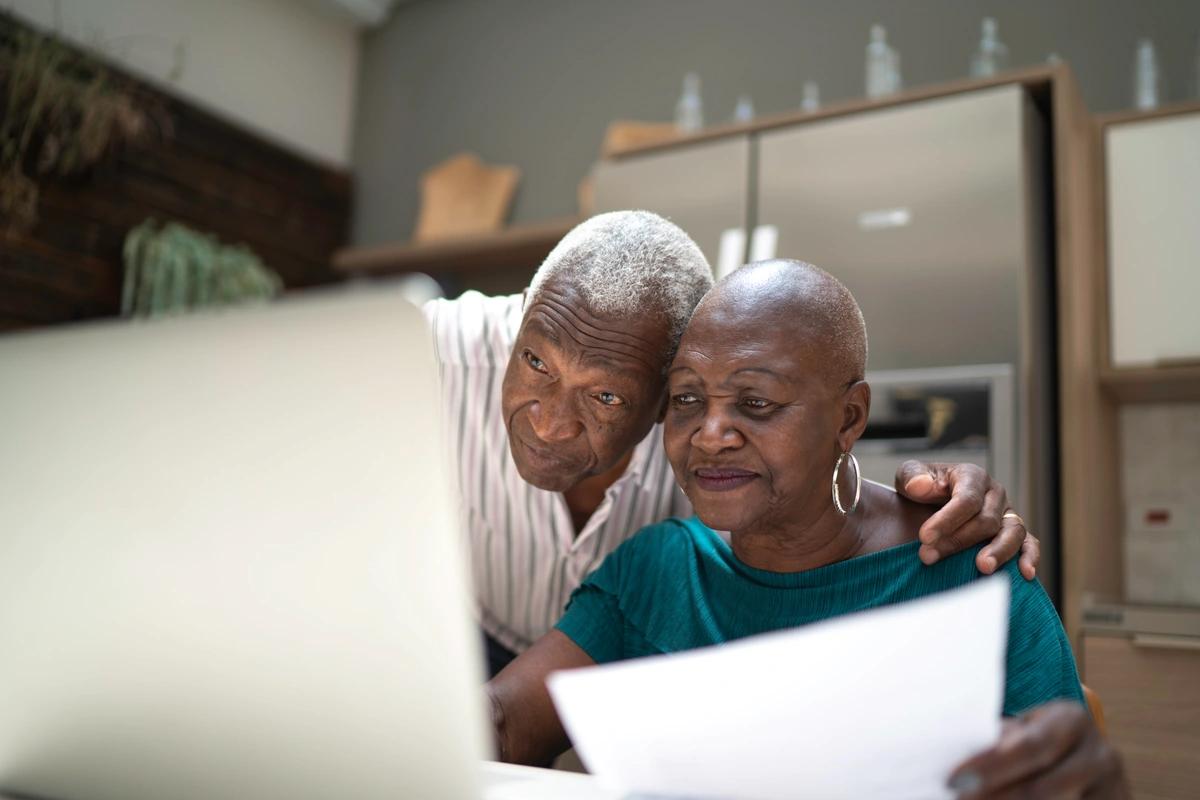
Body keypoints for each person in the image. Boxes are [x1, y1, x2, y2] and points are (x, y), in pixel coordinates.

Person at [486, 260, 1129, 798]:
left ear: (848, 418)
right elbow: (505, 725)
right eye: (686, 400)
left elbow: (1066, 776)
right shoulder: (656, 570)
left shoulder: (969, 571)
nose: (711, 435)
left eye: (757, 403)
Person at [426, 211, 1040, 677]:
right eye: (536, 362)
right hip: (459, 631)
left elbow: (813, 486)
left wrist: (958, 499)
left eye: (607, 397)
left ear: (665, 392)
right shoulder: (436, 352)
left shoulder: (706, 448)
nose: (552, 425)